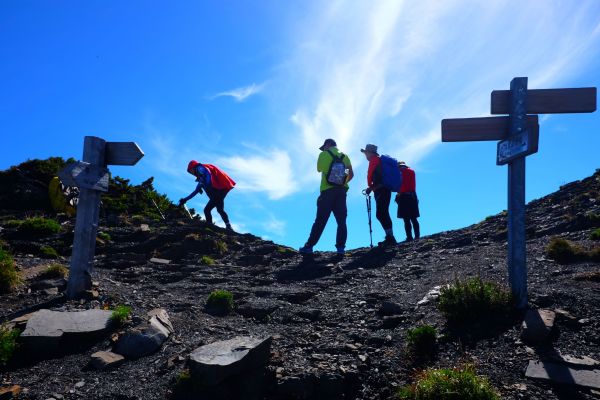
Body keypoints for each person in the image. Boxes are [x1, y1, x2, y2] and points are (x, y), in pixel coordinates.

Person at [300, 138, 354, 255]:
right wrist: (342, 180)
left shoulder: (323, 155)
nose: (323, 149)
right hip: (341, 192)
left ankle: (309, 246)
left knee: (320, 220)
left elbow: (320, 169)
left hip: (327, 191)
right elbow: (350, 174)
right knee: (341, 221)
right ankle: (341, 249)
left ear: (327, 145)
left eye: (323, 147)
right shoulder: (345, 156)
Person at [179, 160, 236, 231]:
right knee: (219, 210)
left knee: (207, 210)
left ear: (193, 167)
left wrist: (207, 184)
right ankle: (228, 226)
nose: (191, 173)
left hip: (217, 193)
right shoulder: (201, 179)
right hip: (221, 192)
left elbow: (208, 174)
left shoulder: (200, 168)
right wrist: (185, 199)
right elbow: (195, 191)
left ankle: (210, 226)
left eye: (190, 171)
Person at [362, 144, 397, 246]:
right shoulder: (379, 160)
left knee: (381, 213)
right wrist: (372, 187)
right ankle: (390, 237)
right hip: (384, 189)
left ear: (370, 153)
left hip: (381, 189)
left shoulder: (374, 160)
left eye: (366, 153)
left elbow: (372, 177)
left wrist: (370, 187)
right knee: (383, 212)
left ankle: (390, 238)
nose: (365, 155)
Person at [396, 161, 420, 242]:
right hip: (412, 196)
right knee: (414, 218)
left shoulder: (399, 173)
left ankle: (409, 237)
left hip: (403, 197)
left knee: (406, 219)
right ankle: (417, 236)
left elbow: (400, 186)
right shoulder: (411, 171)